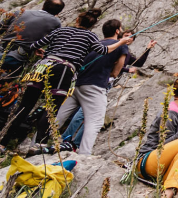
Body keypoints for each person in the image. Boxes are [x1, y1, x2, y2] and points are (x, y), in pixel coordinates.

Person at [0, 8, 131, 147]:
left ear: (77, 20)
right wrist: (121, 42)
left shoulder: (61, 30)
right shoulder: (90, 36)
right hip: (63, 70)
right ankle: (37, 147)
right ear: (93, 24)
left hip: (43, 66)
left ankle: (1, 143)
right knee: (51, 110)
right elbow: (104, 50)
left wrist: (40, 51)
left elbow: (35, 44)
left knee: (24, 106)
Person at [51, 18, 156, 155]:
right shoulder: (120, 47)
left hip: (79, 83)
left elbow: (138, 62)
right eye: (126, 35)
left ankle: (41, 142)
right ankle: (78, 149)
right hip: (96, 85)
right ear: (118, 32)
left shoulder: (97, 44)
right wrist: (123, 70)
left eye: (131, 37)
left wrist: (147, 49)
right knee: (92, 120)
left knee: (62, 114)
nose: (128, 38)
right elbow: (116, 70)